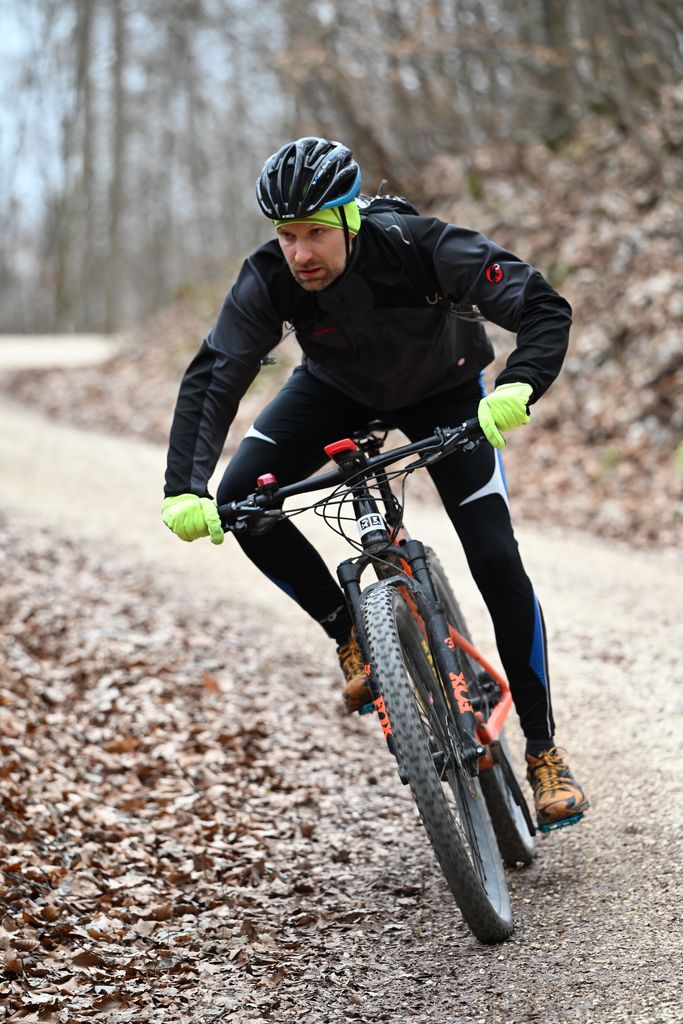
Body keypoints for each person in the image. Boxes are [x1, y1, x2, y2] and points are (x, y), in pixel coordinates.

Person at [162, 136, 589, 830]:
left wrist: (518, 384)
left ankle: (544, 752)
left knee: (494, 557)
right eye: (287, 235)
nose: (300, 253)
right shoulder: (270, 275)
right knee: (241, 502)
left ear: (349, 218)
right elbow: (216, 373)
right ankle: (350, 633)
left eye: (315, 233)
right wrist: (184, 486)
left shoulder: (422, 245)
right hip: (334, 393)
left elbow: (540, 305)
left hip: (447, 393)